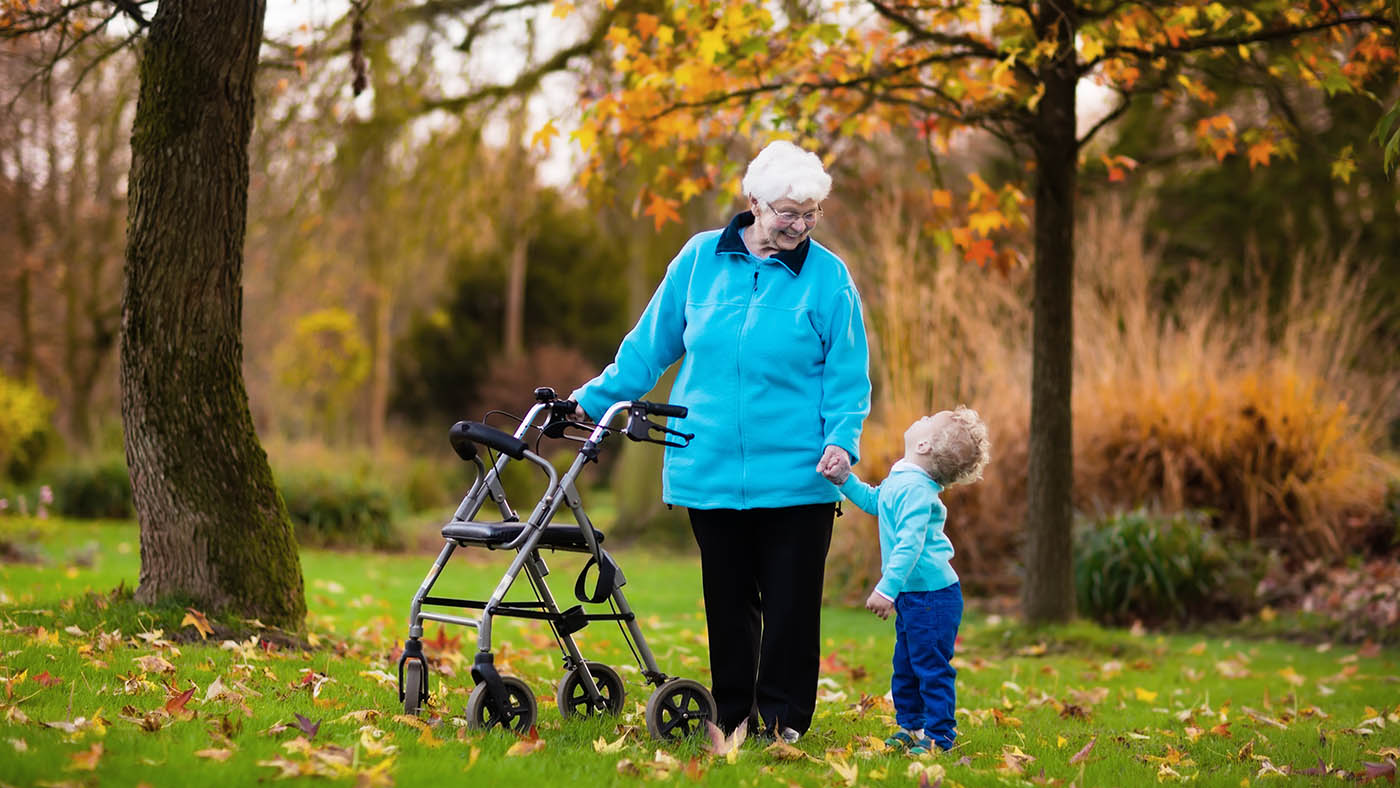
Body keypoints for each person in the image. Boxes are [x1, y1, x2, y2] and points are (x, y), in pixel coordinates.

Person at [570, 140, 871, 742]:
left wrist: (843, 438)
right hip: (706, 464)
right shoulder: (700, 258)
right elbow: (650, 345)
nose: (799, 225)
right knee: (728, 605)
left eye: (810, 214)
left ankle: (782, 723)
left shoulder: (828, 277)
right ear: (753, 201)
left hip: (797, 474)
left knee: (789, 607)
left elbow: (847, 372)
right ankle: (732, 717)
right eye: (788, 212)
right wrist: (592, 400)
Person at [822, 407, 990, 755]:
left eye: (929, 419)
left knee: (930, 668)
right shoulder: (905, 479)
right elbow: (875, 501)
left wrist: (886, 587)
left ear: (925, 444)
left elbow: (909, 544)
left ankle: (939, 737)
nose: (922, 418)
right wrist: (845, 480)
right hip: (917, 596)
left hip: (933, 597)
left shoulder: (917, 490)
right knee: (906, 666)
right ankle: (911, 727)